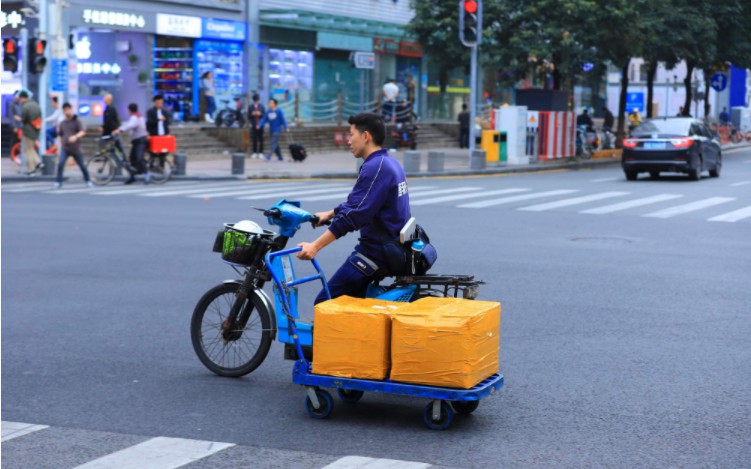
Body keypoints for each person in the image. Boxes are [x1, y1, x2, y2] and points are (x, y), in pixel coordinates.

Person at [296, 112, 412, 304]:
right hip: (393, 247)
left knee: (325, 304)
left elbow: (354, 216)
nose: (348, 141)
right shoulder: (390, 163)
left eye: (352, 135)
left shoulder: (375, 167)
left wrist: (315, 246)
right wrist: (330, 213)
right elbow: (361, 203)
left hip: (376, 253)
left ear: (366, 136)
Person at [53, 103, 93, 190]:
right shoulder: (62, 123)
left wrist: (76, 136)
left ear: (71, 109)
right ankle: (58, 181)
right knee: (60, 163)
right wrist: (61, 144)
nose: (67, 112)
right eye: (65, 110)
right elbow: (61, 135)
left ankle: (88, 180)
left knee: (82, 165)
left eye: (68, 109)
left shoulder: (77, 121)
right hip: (65, 148)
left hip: (76, 148)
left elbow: (83, 131)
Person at [113, 103, 150, 185]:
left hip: (141, 141)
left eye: (128, 110)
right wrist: (119, 128)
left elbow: (129, 125)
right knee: (132, 159)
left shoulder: (136, 117)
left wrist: (119, 130)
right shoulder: (137, 116)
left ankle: (147, 174)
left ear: (130, 110)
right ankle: (132, 177)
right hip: (136, 141)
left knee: (139, 157)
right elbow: (127, 124)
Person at [19, 90, 43, 175]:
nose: (20, 100)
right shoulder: (36, 105)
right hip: (36, 129)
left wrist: (19, 119)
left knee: (27, 150)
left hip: (28, 131)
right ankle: (38, 163)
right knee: (31, 148)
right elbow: (40, 116)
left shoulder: (25, 106)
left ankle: (30, 169)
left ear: (22, 98)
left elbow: (23, 119)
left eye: (20, 99)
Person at [248, 94, 265, 159]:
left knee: (261, 138)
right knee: (254, 139)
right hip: (254, 124)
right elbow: (248, 116)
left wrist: (260, 114)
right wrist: (252, 114)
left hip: (260, 124)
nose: (256, 101)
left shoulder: (261, 106)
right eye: (255, 100)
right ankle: (254, 152)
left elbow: (264, 115)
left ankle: (261, 152)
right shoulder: (251, 107)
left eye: (257, 100)